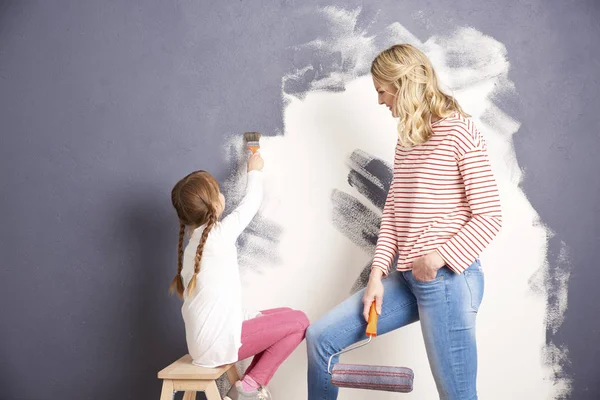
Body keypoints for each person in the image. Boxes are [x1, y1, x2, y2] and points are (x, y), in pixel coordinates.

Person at [306, 44, 503, 400]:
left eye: (382, 90)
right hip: (410, 278)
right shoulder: (407, 139)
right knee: (322, 338)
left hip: (448, 280)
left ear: (404, 83)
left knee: (457, 396)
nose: (381, 100)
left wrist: (437, 258)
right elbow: (394, 214)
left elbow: (489, 214)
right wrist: (377, 277)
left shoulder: (459, 131)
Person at [170, 151, 309, 400]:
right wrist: (254, 170)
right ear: (214, 205)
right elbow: (251, 203)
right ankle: (248, 389)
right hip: (217, 344)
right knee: (299, 321)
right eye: (218, 192)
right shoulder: (218, 236)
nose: (223, 195)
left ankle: (247, 387)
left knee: (286, 314)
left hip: (206, 342)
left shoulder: (194, 245)